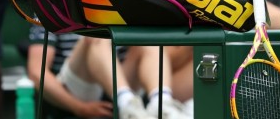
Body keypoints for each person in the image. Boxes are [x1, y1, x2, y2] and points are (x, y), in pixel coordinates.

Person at [27, 26, 191, 118]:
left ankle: (161, 102)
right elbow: (36, 72)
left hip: (119, 80)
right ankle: (128, 106)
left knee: (148, 36)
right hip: (77, 88)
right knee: (97, 33)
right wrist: (79, 108)